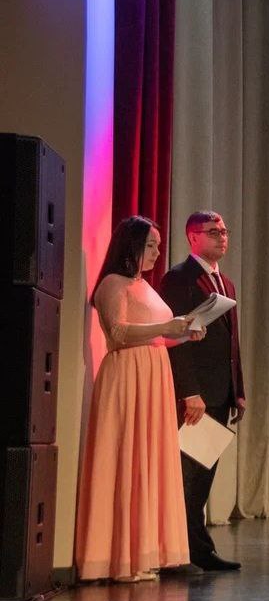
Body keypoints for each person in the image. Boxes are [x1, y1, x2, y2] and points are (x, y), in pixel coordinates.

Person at [74, 216, 204, 582]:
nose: (157, 252)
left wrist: (184, 334)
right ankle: (116, 557)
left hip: (153, 374)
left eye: (159, 246)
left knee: (148, 459)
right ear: (130, 246)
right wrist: (166, 326)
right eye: (150, 245)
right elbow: (117, 333)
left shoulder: (143, 285)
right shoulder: (112, 284)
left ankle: (145, 552)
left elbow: (156, 337)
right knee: (128, 456)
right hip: (128, 375)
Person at [160, 211, 246, 572]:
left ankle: (197, 549)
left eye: (224, 231)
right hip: (196, 395)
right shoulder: (179, 278)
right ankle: (183, 552)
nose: (222, 237)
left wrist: (238, 389)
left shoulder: (225, 282)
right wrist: (190, 392)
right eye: (213, 232)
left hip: (220, 392)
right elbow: (176, 342)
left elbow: (231, 343)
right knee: (188, 477)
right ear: (193, 237)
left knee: (203, 475)